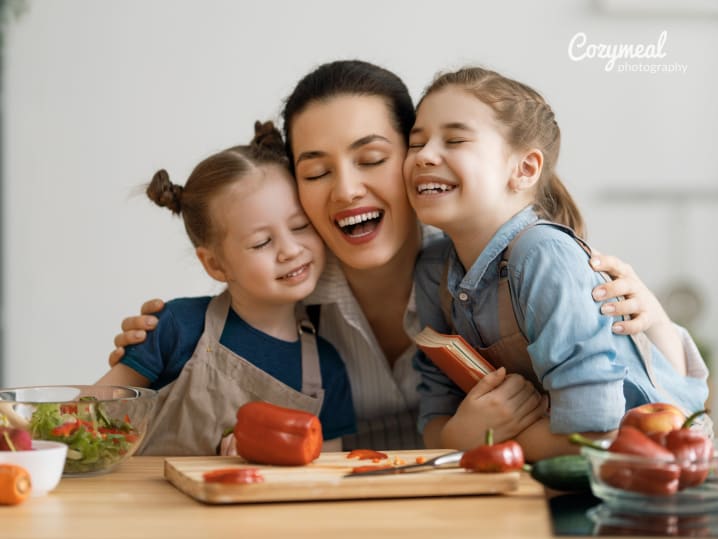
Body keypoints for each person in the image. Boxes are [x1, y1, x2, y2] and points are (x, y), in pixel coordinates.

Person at [105, 60, 701, 451]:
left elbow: (652, 408)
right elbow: (201, 347)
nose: (346, 190)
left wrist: (653, 322)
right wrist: (160, 344)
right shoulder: (283, 289)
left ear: (415, 161)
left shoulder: (507, 274)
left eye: (372, 159)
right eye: (316, 171)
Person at [405, 66, 710, 461]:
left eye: (455, 139)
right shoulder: (433, 268)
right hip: (544, 467)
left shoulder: (542, 255)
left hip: (657, 460)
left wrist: (481, 441)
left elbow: (594, 431)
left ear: (525, 169)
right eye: (416, 143)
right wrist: (460, 435)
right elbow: (435, 415)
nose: (426, 155)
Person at [96, 121, 356, 455]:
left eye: (301, 226)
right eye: (262, 242)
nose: (290, 250)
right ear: (216, 265)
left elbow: (327, 474)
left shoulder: (326, 367)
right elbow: (91, 414)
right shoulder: (176, 326)